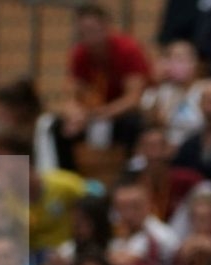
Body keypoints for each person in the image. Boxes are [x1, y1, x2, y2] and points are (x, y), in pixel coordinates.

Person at [59, 1, 153, 168]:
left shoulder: (127, 49)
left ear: (106, 26)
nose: (89, 36)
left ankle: (131, 171)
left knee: (134, 124)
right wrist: (75, 114)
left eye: (93, 30)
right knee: (57, 127)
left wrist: (101, 114)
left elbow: (133, 98)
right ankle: (68, 175)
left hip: (119, 114)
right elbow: (70, 95)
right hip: (95, 114)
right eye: (84, 31)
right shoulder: (80, 54)